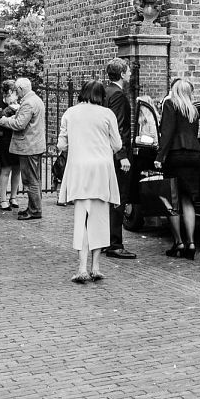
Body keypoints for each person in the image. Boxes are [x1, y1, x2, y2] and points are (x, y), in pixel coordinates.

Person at [57, 80, 124, 283]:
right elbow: (118, 143)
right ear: (101, 96)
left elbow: (61, 143)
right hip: (101, 169)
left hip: (79, 169)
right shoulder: (107, 114)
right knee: (100, 219)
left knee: (81, 220)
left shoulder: (70, 112)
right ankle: (95, 267)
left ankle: (81, 268)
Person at [156, 78, 200, 258]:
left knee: (172, 201)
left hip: (176, 155)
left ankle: (178, 243)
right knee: (188, 200)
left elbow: (167, 133)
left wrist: (160, 157)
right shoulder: (193, 109)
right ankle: (191, 243)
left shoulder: (170, 104)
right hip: (194, 155)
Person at [101, 58, 138, 260]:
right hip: (115, 156)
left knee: (107, 198)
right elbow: (118, 128)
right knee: (118, 198)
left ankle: (105, 240)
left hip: (103, 153)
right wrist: (122, 155)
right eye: (129, 72)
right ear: (122, 74)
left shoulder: (104, 93)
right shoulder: (118, 96)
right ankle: (114, 243)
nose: (130, 75)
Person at [0, 76, 47, 221]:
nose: (16, 93)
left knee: (30, 180)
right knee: (35, 179)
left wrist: (5, 120)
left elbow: (20, 124)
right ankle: (34, 207)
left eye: (16, 90)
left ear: (20, 89)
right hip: (35, 145)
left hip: (28, 146)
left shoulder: (27, 103)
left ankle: (34, 210)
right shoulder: (36, 100)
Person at [0, 80, 20, 210]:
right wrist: (11, 111)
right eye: (15, 92)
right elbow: (1, 122)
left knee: (17, 169)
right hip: (6, 140)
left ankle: (13, 197)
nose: (17, 95)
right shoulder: (0, 105)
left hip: (18, 140)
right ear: (9, 92)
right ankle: (3, 199)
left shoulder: (19, 105)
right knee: (5, 169)